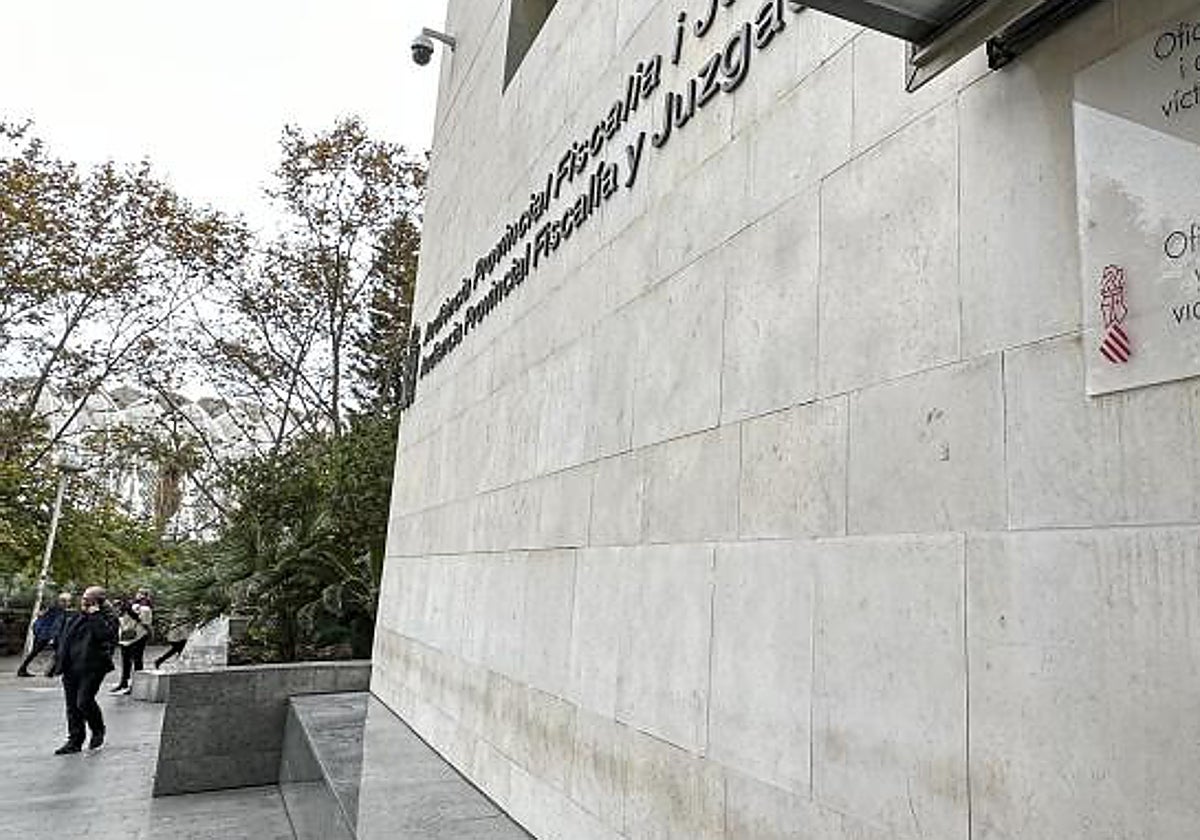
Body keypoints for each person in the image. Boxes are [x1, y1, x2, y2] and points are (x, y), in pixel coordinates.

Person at [50, 585, 117, 754]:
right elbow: (65, 639)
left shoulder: (107, 618)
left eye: (88, 598)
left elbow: (105, 636)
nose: (84, 601)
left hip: (93, 667)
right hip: (71, 666)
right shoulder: (77, 616)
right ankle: (75, 741)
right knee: (72, 706)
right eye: (84, 597)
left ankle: (98, 729)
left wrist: (95, 615)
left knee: (84, 701)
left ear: (98, 601)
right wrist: (58, 660)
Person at [16, 592, 72, 677]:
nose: (69, 603)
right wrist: (52, 638)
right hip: (46, 635)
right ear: (62, 601)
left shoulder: (56, 609)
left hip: (45, 634)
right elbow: (55, 625)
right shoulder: (56, 610)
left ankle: (51, 671)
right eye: (68, 601)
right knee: (37, 652)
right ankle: (24, 669)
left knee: (58, 652)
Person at [110, 590, 152, 694]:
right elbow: (146, 623)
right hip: (130, 637)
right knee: (130, 662)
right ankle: (126, 683)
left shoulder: (140, 608)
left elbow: (145, 622)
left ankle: (134, 685)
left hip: (135, 637)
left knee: (134, 662)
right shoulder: (130, 608)